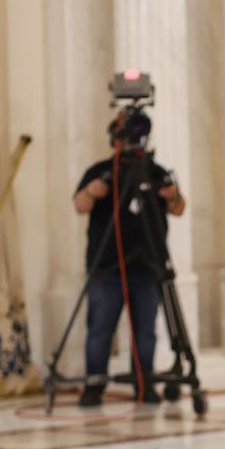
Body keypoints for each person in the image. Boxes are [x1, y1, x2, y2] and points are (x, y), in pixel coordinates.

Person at [72, 110, 185, 407]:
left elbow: (179, 208)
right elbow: (79, 205)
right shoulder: (100, 171)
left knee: (145, 331)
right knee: (99, 329)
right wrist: (91, 191)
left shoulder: (156, 172)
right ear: (115, 138)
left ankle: (144, 384)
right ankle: (94, 386)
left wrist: (172, 196)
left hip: (147, 268)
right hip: (106, 268)